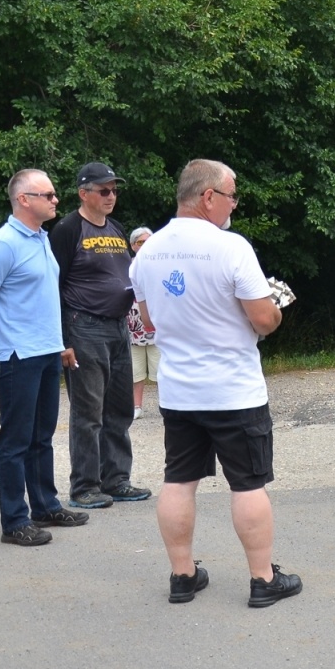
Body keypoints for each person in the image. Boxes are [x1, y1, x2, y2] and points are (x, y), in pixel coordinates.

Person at [130, 159, 302, 606]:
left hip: (179, 390)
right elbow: (263, 320)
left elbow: (148, 320)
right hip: (232, 390)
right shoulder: (231, 247)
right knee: (247, 483)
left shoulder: (148, 251)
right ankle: (263, 579)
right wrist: (275, 308)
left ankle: (182, 575)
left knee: (179, 480)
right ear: (208, 197)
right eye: (231, 195)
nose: (234, 205)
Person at [0, 170, 91, 546]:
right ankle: (14, 520)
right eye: (48, 195)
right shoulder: (4, 244)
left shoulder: (41, 238)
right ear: (24, 199)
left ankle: (44, 506)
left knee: (42, 436)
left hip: (46, 350)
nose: (56, 200)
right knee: (16, 439)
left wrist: (59, 343)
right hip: (19, 354)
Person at [49, 162, 150, 509]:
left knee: (120, 408)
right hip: (84, 326)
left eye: (114, 190)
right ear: (83, 193)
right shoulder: (67, 229)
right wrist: (63, 340)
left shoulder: (116, 228)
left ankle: (117, 479)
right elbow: (53, 286)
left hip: (118, 326)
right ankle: (84, 486)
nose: (111, 196)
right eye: (104, 190)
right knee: (88, 411)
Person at [127, 226, 160, 420]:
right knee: (135, 372)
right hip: (132, 327)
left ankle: (166, 405)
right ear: (133, 245)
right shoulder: (127, 266)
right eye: (140, 242)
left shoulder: (161, 265)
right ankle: (136, 406)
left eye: (148, 241)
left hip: (157, 327)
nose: (145, 245)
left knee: (161, 370)